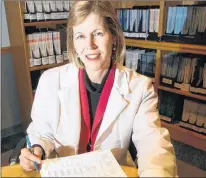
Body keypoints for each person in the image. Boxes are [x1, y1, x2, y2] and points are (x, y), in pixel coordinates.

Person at [19, 1, 177, 177]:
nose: (90, 45)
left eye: (98, 33)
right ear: (73, 42)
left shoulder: (139, 87)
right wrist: (37, 149)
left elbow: (153, 147)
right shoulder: (50, 80)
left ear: (114, 37)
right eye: (80, 36)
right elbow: (41, 132)